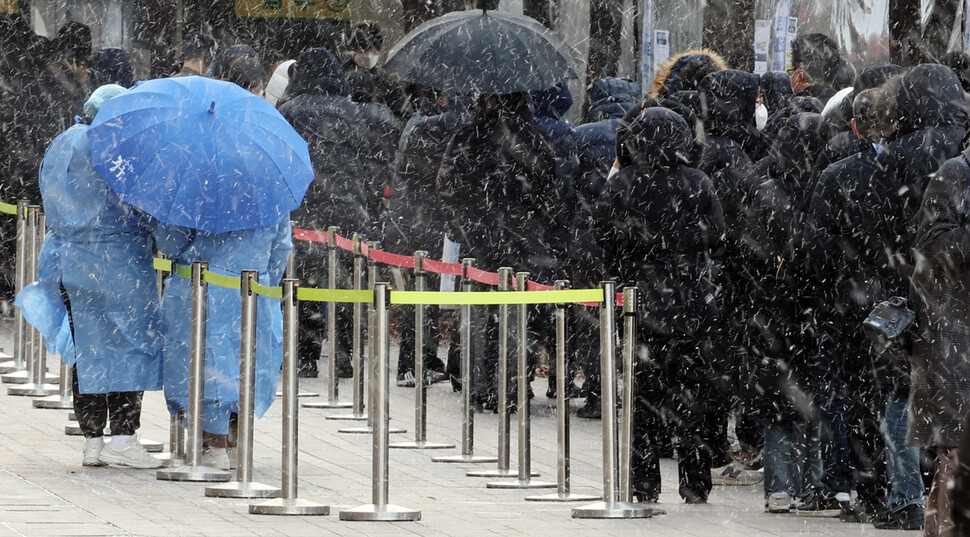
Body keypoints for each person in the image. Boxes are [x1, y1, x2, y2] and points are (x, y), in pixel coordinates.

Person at [17, 84, 162, 469]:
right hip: (118, 264)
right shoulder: (115, 149)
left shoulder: (62, 142)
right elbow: (141, 205)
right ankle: (125, 438)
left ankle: (93, 439)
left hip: (71, 261)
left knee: (89, 350)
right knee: (130, 346)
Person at [804, 87, 925, 529]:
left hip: (850, 302)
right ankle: (908, 491)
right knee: (902, 395)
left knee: (860, 399)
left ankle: (873, 489)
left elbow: (815, 246)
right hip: (905, 300)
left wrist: (830, 292)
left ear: (855, 125)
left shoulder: (838, 175)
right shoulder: (915, 169)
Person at [595, 106, 724, 504]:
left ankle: (645, 481)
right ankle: (695, 479)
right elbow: (717, 235)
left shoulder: (622, 186)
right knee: (691, 396)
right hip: (690, 303)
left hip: (640, 304)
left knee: (642, 397)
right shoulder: (698, 182)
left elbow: (602, 237)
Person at [278, 47, 398, 379]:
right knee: (346, 285)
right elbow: (372, 166)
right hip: (349, 211)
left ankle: (305, 355)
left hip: (304, 213)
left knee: (302, 284)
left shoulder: (288, 111)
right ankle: (346, 352)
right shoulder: (356, 113)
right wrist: (370, 208)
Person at [437, 92, 560, 410]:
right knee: (519, 314)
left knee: (481, 312)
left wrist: (464, 219)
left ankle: (481, 382)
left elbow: (448, 185)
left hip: (481, 236)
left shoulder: (467, 137)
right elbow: (550, 189)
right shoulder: (534, 138)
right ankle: (512, 384)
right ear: (522, 102)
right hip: (524, 239)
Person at [156, 217, 291, 471]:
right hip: (253, 288)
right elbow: (281, 247)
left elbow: (171, 242)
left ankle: (212, 445)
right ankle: (234, 440)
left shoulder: (196, 190)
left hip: (197, 286)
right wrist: (265, 280)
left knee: (199, 367)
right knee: (245, 366)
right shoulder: (270, 194)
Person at [342, 22, 409, 118]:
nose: (368, 56)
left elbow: (404, 115)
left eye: (373, 51)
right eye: (362, 51)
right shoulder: (342, 80)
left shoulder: (387, 84)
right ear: (352, 52)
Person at [789, 33, 843, 103]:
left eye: (792, 69)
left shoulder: (793, 109)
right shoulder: (847, 106)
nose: (790, 74)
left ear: (799, 73)